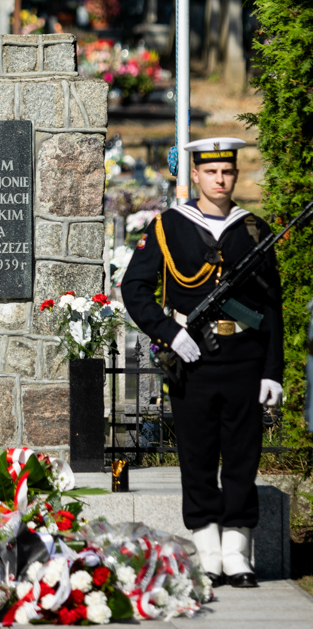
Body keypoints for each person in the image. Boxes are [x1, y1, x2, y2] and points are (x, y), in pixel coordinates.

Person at [121, 138, 283, 589]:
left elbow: (272, 307)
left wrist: (272, 370)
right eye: (210, 172)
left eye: (226, 171)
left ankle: (237, 551)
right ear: (195, 175)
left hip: (244, 357)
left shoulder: (253, 230)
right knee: (197, 455)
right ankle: (208, 549)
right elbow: (135, 288)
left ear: (235, 174)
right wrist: (169, 332)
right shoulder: (169, 226)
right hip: (192, 360)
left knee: (242, 456)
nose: (219, 180)